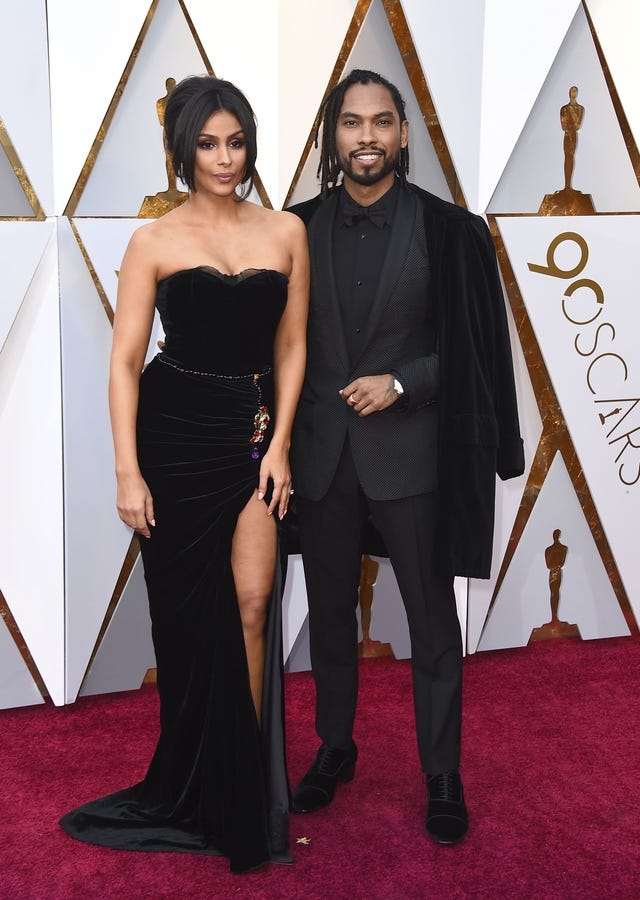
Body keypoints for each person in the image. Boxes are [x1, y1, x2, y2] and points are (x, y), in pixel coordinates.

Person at [59, 75, 309, 874]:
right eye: (208, 144)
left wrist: (281, 445)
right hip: (170, 440)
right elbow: (125, 361)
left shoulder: (285, 232)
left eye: (236, 142)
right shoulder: (153, 241)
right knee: (187, 624)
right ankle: (196, 785)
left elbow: (293, 346)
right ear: (183, 150)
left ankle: (247, 795)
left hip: (253, 435)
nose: (225, 158)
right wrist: (127, 471)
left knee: (254, 603)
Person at [286, 69, 524, 845]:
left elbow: (473, 349)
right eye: (351, 123)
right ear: (333, 137)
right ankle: (335, 747)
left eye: (381, 121)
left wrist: (402, 381)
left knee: (432, 622)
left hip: (412, 457)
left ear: (403, 133)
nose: (367, 137)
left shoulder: (450, 231)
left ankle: (443, 774)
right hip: (321, 458)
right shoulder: (293, 228)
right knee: (329, 617)